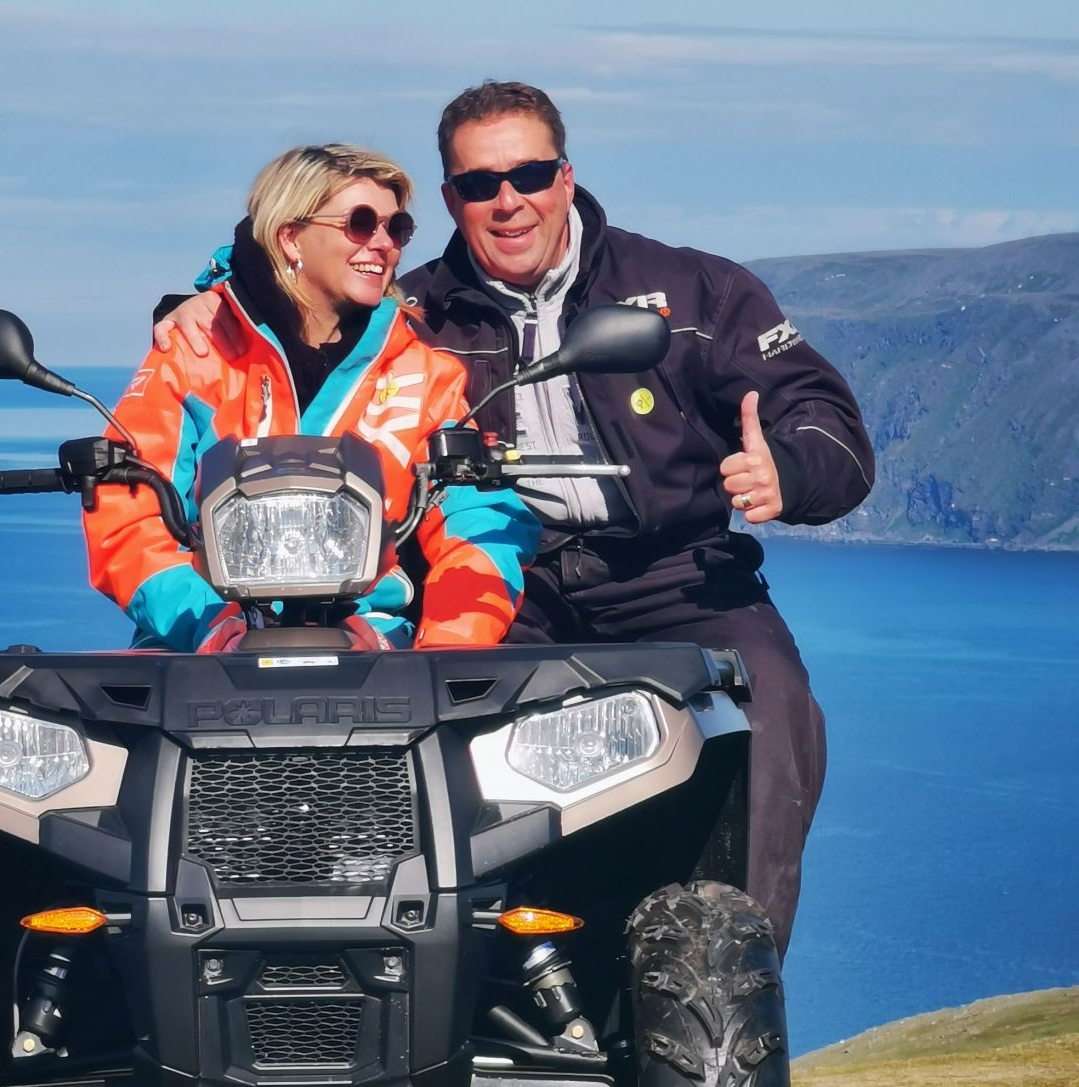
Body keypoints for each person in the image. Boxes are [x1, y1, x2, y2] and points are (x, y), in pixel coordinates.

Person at [152, 83, 874, 954]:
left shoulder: (692, 291)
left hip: (678, 577)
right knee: (430, 751)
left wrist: (788, 469)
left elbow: (821, 415)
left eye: (529, 173)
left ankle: (729, 984)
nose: (508, 200)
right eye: (478, 183)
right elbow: (287, 297)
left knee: (770, 719)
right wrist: (200, 300)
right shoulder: (407, 315)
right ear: (451, 197)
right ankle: (484, 988)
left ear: (567, 178)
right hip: (504, 582)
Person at [85, 143, 539, 655]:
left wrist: (446, 652)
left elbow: (476, 522)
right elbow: (126, 513)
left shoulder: (423, 372)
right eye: (362, 223)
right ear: (290, 237)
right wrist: (212, 628)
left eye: (398, 228)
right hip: (201, 651)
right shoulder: (192, 351)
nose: (383, 244)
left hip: (371, 647)